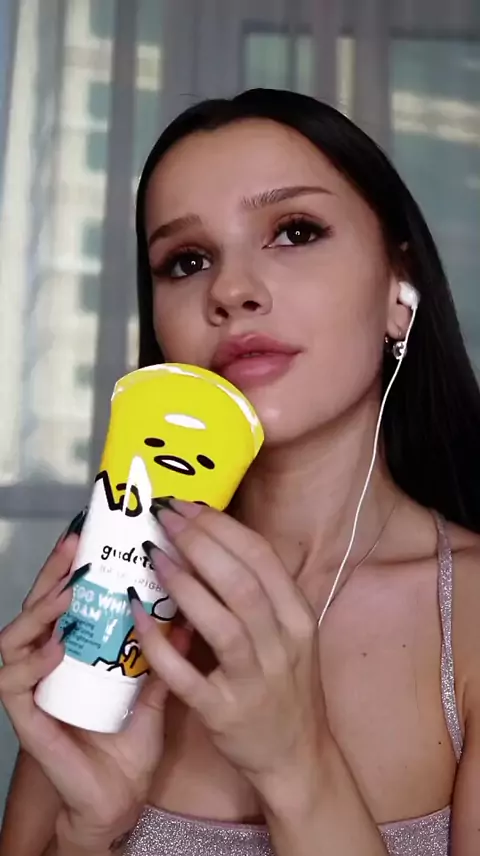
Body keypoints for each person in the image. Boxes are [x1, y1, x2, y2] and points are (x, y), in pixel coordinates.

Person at [1, 88, 480, 856]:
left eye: (294, 231)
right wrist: (88, 833)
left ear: (401, 291)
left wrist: (298, 764)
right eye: (186, 261)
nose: (229, 291)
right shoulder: (114, 594)